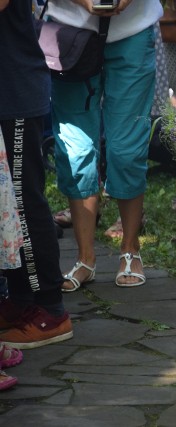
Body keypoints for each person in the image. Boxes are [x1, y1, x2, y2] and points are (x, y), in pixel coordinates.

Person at [45, 0, 162, 291]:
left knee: (126, 148)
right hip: (68, 31)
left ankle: (130, 248)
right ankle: (85, 259)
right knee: (75, 151)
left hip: (133, 31)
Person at [0, 0, 73, 349]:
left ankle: (50, 309)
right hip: (11, 90)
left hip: (14, 94)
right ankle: (21, 299)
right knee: (6, 209)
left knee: (23, 201)